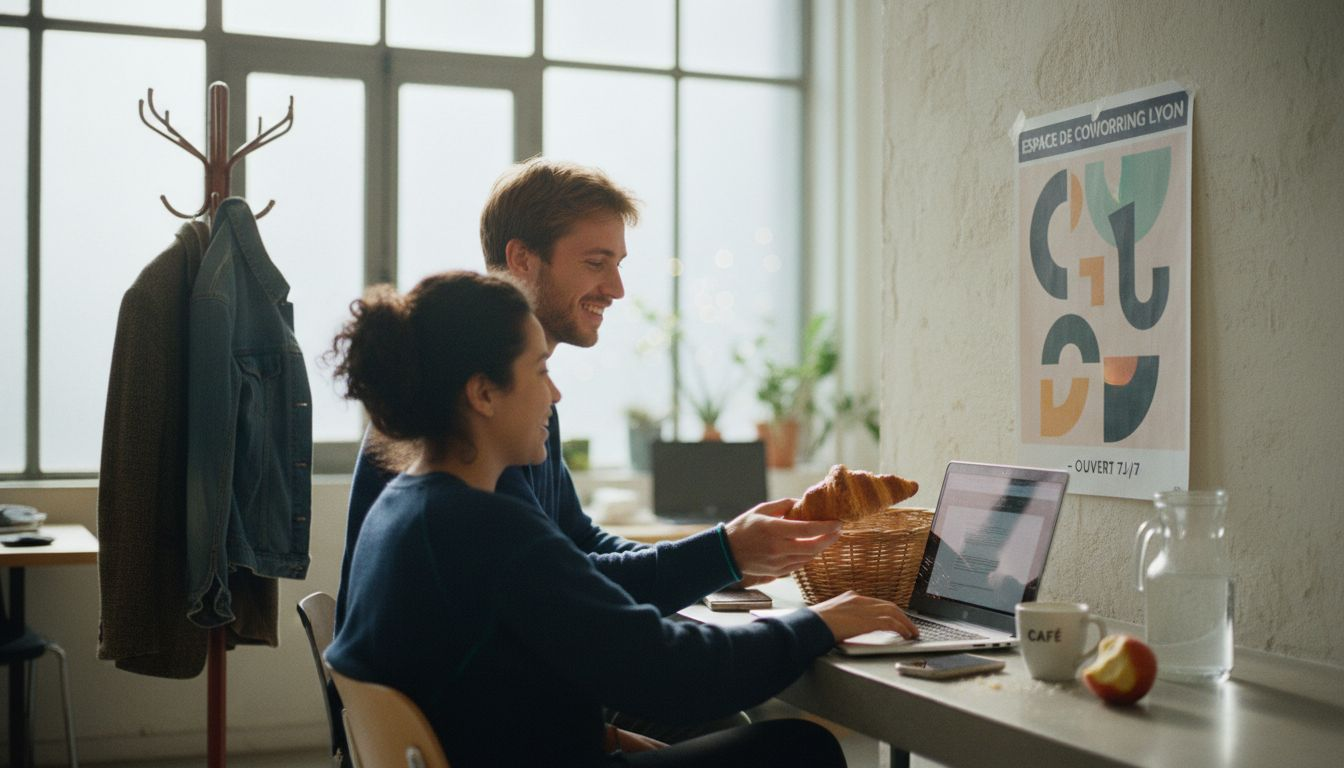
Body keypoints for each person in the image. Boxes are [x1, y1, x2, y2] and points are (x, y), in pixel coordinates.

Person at [324, 271, 917, 767]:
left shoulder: (401, 508)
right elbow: (674, 673)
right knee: (800, 749)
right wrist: (820, 623)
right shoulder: (487, 528)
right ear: (483, 393)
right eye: (538, 371)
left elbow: (488, 684)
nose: (553, 395)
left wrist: (598, 737)